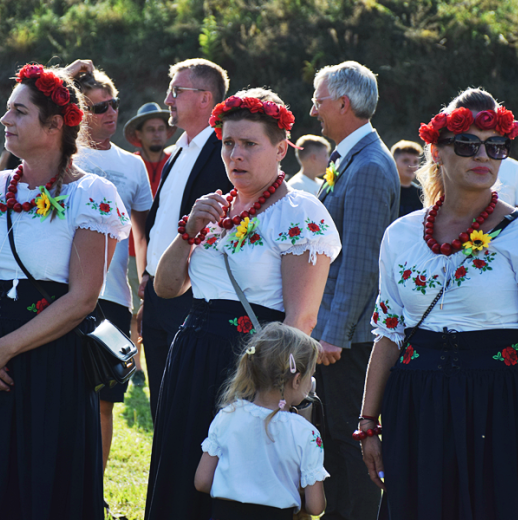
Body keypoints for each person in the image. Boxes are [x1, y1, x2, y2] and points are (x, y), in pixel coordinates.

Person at [0, 63, 130, 520]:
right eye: (7, 111)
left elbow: (82, 298)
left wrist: (3, 350)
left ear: (55, 124)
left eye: (18, 112)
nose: (5, 120)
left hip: (47, 358)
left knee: (39, 483)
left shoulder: (93, 195)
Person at [362, 88, 518, 519]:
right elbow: (388, 335)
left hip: (501, 408)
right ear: (436, 151)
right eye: (467, 144)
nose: (483, 155)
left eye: (496, 146)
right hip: (418, 407)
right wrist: (368, 425)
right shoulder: (400, 234)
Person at [145, 88, 341, 520]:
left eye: (250, 144)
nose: (236, 154)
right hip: (193, 353)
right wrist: (188, 231)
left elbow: (300, 318)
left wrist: (274, 393)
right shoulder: (216, 208)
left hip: (251, 364)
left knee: (237, 492)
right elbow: (166, 287)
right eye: (228, 143)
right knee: (184, 477)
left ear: (281, 148)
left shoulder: (298, 211)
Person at [310, 61, 399, 520]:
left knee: (350, 445)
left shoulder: (366, 166)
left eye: (318, 99)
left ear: (343, 103)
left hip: (350, 340)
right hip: (339, 334)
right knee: (336, 446)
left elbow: (362, 264)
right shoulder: (351, 157)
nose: (313, 110)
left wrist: (333, 334)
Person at [70, 66, 153, 505]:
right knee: (62, 395)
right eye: (98, 107)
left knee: (105, 401)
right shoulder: (64, 156)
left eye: (114, 104)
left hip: (115, 300)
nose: (111, 113)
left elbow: (143, 236)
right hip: (63, 295)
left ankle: (92, 492)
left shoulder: (132, 164)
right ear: (77, 111)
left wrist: (146, 294)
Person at [142, 58, 234, 421]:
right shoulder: (179, 148)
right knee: (160, 407)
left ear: (205, 99)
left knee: (187, 408)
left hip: (193, 296)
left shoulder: (225, 150)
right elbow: (163, 220)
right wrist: (149, 277)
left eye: (177, 91)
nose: (168, 99)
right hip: (158, 292)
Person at [195, 322, 328, 519]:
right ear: (297, 379)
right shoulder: (306, 433)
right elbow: (316, 507)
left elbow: (202, 482)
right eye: (311, 375)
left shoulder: (227, 415)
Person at [124, 102, 176, 362]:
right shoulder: (129, 164)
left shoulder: (176, 161)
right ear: (140, 135)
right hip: (133, 250)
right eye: (150, 129)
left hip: (169, 250)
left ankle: (162, 358)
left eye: (161, 129)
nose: (157, 133)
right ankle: (135, 363)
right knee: (135, 307)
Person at [390, 139, 424, 218]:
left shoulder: (422, 194)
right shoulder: (387, 191)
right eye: (406, 161)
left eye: (415, 162)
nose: (412, 166)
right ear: (393, 162)